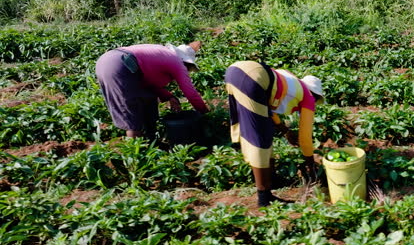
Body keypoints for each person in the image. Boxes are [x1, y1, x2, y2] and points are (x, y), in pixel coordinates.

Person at [224, 61, 324, 207]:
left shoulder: (291, 79)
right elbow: (305, 137)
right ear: (314, 94)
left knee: (265, 131)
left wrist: (285, 130)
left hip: (236, 71)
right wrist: (311, 167)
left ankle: (272, 180)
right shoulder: (308, 98)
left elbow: (269, 108)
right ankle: (264, 197)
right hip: (252, 78)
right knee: (259, 137)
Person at [95, 41, 209, 138]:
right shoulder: (177, 62)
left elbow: (149, 85)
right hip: (120, 65)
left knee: (147, 97)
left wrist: (169, 96)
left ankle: (151, 139)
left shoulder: (162, 54)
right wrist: (205, 113)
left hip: (106, 62)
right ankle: (136, 154)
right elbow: (191, 93)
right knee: (131, 112)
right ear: (185, 62)